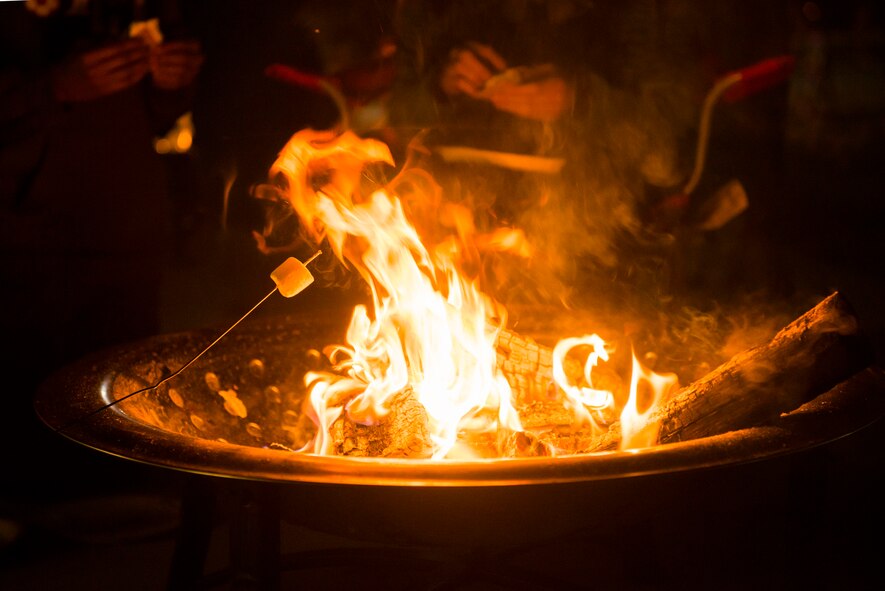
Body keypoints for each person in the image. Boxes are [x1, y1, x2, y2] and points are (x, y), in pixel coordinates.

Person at [0, 0, 203, 500]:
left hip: (125, 220)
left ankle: (118, 501)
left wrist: (172, 83)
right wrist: (53, 89)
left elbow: (158, 114)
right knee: (28, 379)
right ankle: (32, 507)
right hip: (23, 227)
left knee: (121, 372)